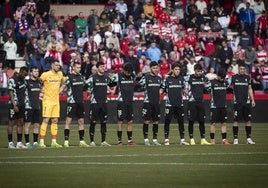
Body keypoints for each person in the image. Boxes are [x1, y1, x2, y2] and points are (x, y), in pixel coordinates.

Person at [85, 61, 114, 147]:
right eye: (101, 67)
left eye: (103, 66)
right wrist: (89, 91)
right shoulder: (93, 77)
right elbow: (85, 86)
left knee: (104, 122)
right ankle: (92, 141)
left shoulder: (106, 77)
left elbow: (113, 84)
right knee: (93, 122)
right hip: (95, 103)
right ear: (97, 68)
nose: (103, 68)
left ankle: (103, 141)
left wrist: (111, 90)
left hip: (104, 103)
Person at [62, 62, 89, 148]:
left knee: (81, 121)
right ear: (73, 68)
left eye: (80, 67)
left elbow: (85, 87)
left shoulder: (81, 77)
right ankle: (66, 141)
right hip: (72, 102)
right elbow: (63, 87)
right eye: (77, 67)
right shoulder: (69, 77)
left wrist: (88, 91)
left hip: (80, 102)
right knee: (68, 121)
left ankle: (81, 141)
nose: (79, 69)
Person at [39, 60, 65, 148]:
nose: (58, 67)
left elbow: (64, 82)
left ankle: (54, 141)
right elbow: (38, 82)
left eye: (59, 65)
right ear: (52, 65)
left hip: (56, 101)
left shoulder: (60, 74)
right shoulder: (46, 74)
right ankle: (41, 141)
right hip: (47, 101)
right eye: (56, 65)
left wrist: (61, 89)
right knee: (46, 120)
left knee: (55, 120)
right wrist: (41, 91)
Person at [162, 63, 189, 146]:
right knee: (167, 121)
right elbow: (162, 89)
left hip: (179, 104)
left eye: (178, 69)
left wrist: (187, 92)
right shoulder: (167, 79)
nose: (177, 71)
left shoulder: (182, 79)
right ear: (172, 70)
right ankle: (166, 139)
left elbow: (185, 89)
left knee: (181, 122)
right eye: (176, 69)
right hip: (169, 104)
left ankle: (182, 139)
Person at [185, 63, 211, 145]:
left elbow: (209, 85)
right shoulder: (190, 77)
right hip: (192, 102)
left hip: (201, 102)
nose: (199, 73)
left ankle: (203, 139)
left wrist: (207, 88)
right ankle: (191, 139)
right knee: (191, 121)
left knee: (202, 121)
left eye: (200, 71)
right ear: (195, 70)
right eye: (198, 71)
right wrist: (187, 93)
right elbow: (182, 82)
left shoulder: (203, 77)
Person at [230, 63, 256, 144]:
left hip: (246, 102)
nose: (242, 70)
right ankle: (235, 139)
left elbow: (250, 89)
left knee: (248, 121)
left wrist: (253, 100)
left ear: (245, 70)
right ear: (238, 69)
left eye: (243, 69)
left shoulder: (248, 77)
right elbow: (226, 85)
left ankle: (248, 139)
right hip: (237, 102)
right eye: (241, 69)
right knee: (235, 120)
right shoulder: (233, 77)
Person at [111, 63, 136, 146]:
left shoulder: (133, 75)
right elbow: (109, 84)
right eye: (127, 72)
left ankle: (130, 140)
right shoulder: (118, 76)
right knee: (120, 121)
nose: (129, 74)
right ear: (124, 70)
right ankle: (119, 141)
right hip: (121, 101)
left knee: (130, 121)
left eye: (130, 72)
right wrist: (113, 90)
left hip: (130, 101)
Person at [139, 61, 163, 146]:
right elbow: (139, 84)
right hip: (147, 102)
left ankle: (155, 139)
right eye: (154, 68)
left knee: (156, 121)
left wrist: (160, 91)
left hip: (156, 102)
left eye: (157, 68)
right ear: (150, 68)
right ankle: (146, 140)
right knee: (147, 121)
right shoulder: (146, 77)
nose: (156, 69)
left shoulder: (159, 78)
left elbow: (162, 87)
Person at [206, 68, 230, 145]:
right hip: (214, 106)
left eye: (224, 78)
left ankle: (224, 140)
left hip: (223, 105)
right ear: (218, 76)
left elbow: (230, 80)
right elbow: (206, 87)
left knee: (224, 123)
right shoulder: (212, 82)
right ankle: (212, 140)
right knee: (213, 123)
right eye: (221, 77)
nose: (222, 79)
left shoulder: (225, 83)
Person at [7, 66, 28, 149]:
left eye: (26, 75)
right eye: (24, 75)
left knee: (20, 123)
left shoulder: (24, 81)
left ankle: (19, 143)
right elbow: (11, 93)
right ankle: (10, 143)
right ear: (21, 72)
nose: (25, 76)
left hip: (22, 105)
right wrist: (14, 105)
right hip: (13, 104)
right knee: (11, 123)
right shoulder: (12, 80)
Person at [24, 66, 42, 149]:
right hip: (29, 106)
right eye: (35, 71)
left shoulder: (39, 82)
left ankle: (35, 142)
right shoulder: (26, 82)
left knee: (36, 125)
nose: (36, 73)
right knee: (27, 124)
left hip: (37, 106)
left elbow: (40, 92)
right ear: (31, 72)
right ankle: (27, 143)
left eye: (37, 71)